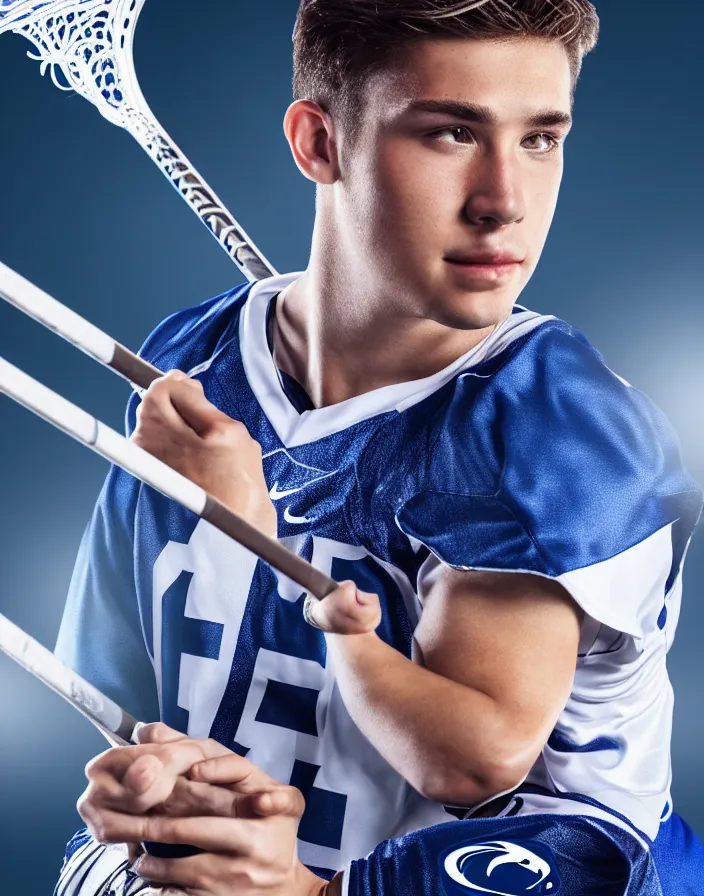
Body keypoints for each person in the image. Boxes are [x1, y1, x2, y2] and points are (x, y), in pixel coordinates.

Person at [54, 1, 704, 894]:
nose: (503, 204)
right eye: (449, 134)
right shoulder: (192, 360)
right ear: (320, 143)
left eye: (540, 140)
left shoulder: (554, 426)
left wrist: (251, 529)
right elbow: (127, 679)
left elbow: (474, 765)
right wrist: (173, 802)